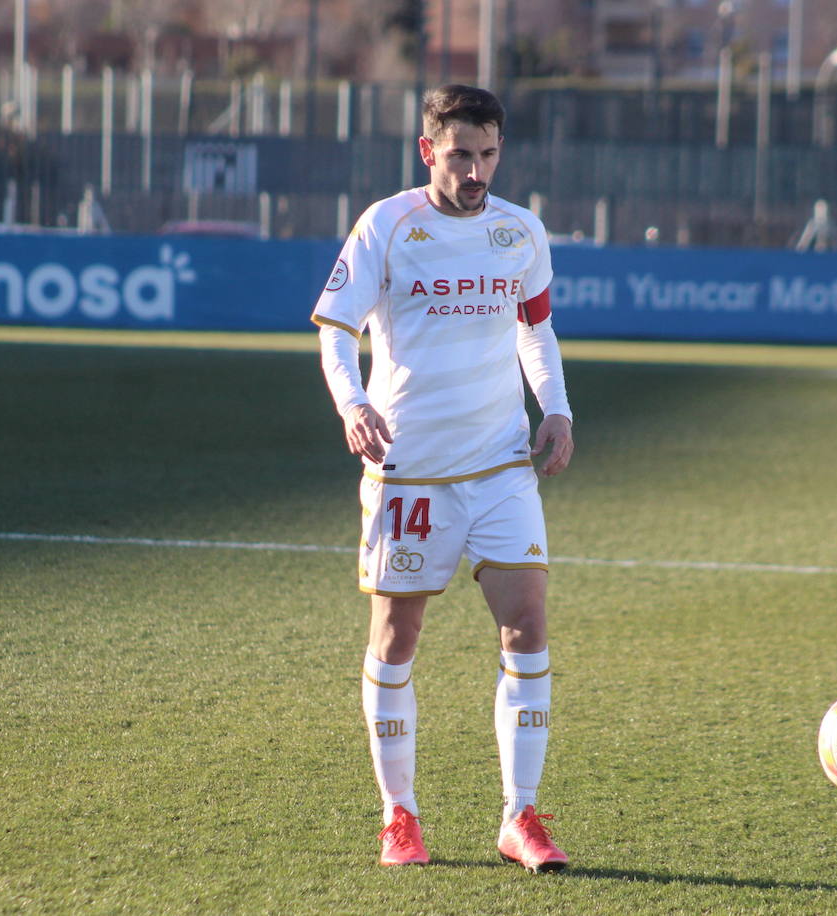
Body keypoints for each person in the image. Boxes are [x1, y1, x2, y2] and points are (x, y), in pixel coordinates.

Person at [311, 84, 575, 873]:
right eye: (461, 154)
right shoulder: (386, 225)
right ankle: (400, 818)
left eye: (489, 154)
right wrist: (352, 403)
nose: (476, 170)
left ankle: (520, 817)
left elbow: (537, 331)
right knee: (398, 638)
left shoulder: (519, 231)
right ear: (430, 150)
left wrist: (555, 410)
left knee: (526, 625)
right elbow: (334, 332)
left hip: (500, 465)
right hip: (410, 471)